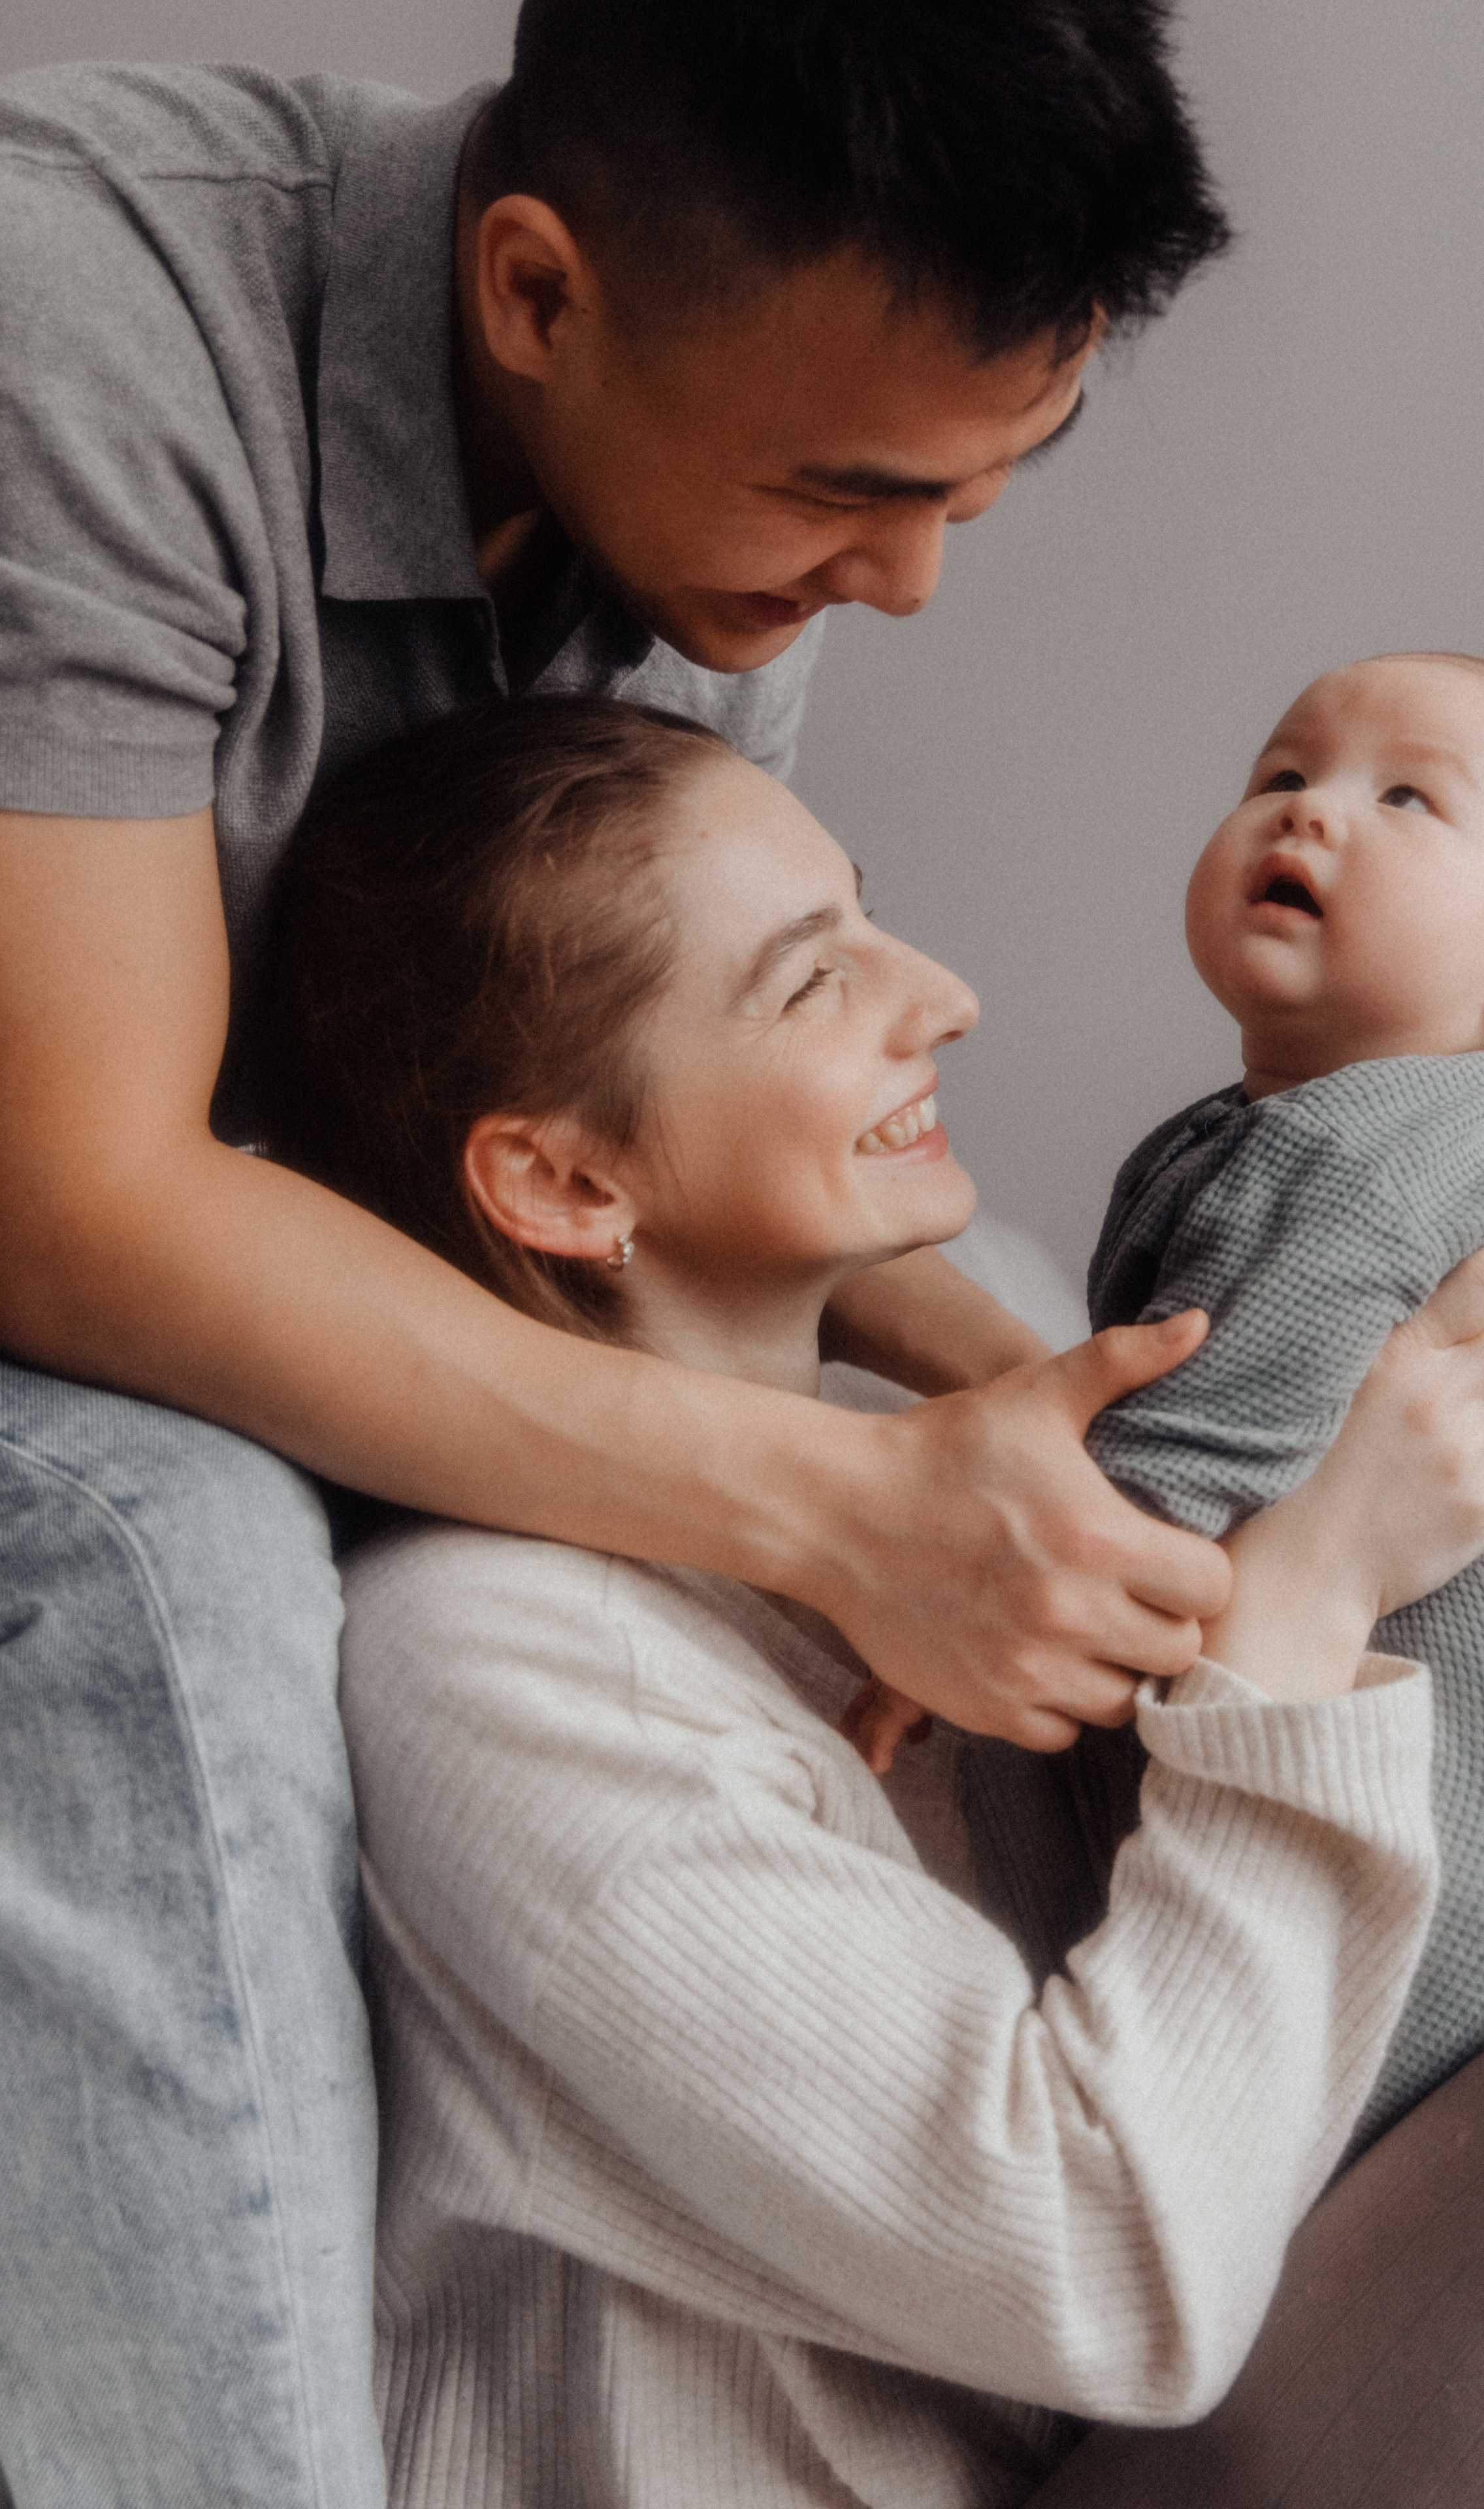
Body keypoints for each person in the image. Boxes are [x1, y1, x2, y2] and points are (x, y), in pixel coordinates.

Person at [0, 8, 1242, 2500]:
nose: (901, 584)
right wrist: (846, 1513)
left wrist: (1054, 1421)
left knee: (985, 1307)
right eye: (844, 492)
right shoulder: (74, 322)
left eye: (972, 496)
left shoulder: (676, 498)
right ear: (538, 294)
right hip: (57, 1224)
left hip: (236, 1192)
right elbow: (85, 1206)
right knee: (177, 1553)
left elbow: (682, 1138)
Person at [266, 691, 1484, 2507]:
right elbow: (1106, 2275)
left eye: (871, 913)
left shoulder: (929, 1489)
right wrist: (1311, 1586)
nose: (946, 996)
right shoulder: (502, 1669)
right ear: (566, 1179)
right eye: (815, 979)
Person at [854, 649, 1484, 2152]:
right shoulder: (1285, 1131)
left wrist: (939, 1616)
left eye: (1405, 798)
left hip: (1481, 1880)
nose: (1307, 813)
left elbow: (1184, 1461)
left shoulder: (1380, 1157)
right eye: (1280, 776)